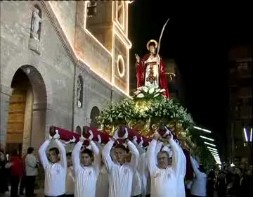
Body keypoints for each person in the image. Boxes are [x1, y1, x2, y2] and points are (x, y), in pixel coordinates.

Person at [102, 128, 139, 197]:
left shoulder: (130, 167)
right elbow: (104, 153)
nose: (118, 155)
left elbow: (136, 154)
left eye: (120, 153)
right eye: (116, 153)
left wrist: (126, 140)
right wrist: (113, 139)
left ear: (125, 153)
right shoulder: (111, 167)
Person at [147, 130, 182, 197]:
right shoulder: (154, 171)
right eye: (159, 159)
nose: (161, 160)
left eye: (163, 158)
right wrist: (154, 140)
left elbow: (177, 154)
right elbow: (150, 156)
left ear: (168, 160)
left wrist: (170, 140)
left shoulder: (173, 171)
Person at [38, 131, 67, 197]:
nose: (51, 156)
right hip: (47, 195)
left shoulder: (62, 165)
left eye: (53, 154)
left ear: (57, 155)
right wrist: (49, 139)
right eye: (49, 155)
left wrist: (56, 139)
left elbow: (62, 151)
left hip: (60, 195)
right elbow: (41, 151)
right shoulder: (47, 166)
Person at [71, 132, 100, 197]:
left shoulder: (94, 170)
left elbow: (98, 155)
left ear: (91, 158)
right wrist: (81, 141)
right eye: (83, 157)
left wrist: (91, 141)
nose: (84, 159)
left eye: (86, 157)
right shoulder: (78, 169)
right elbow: (74, 154)